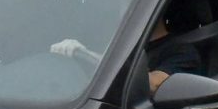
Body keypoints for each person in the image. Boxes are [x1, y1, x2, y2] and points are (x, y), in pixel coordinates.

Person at [50, 15, 201, 94]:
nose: (126, 11)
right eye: (124, 1)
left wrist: (89, 56)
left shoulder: (182, 51)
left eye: (134, 3)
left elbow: (152, 84)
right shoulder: (116, 43)